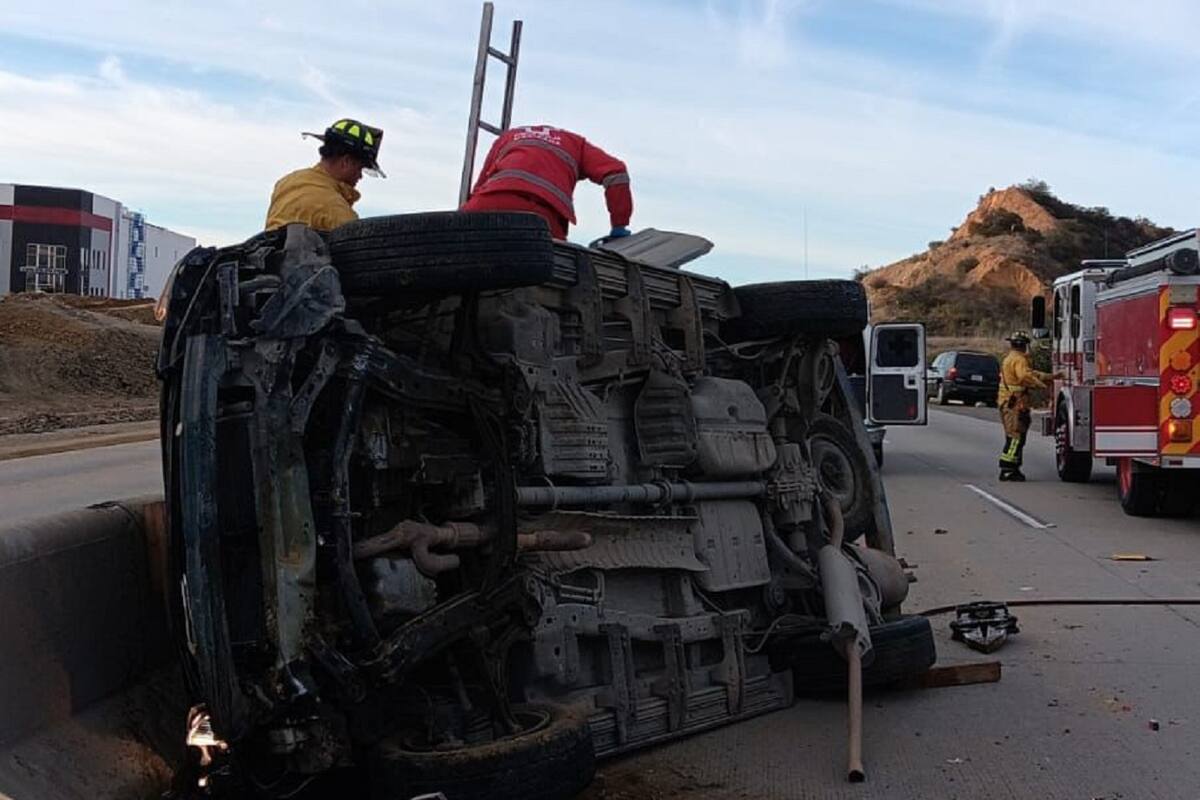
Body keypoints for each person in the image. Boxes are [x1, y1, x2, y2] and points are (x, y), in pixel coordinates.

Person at [461, 124, 632, 241]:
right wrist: (619, 225)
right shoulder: (577, 145)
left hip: (485, 203)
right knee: (555, 269)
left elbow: (481, 184)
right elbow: (616, 173)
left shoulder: (509, 136)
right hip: (540, 214)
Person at [265, 118, 385, 232]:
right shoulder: (337, 211)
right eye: (359, 168)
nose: (360, 176)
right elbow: (359, 247)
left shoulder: (286, 182)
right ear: (346, 162)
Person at [997, 331, 1061, 481]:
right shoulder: (1019, 360)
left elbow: (1031, 373)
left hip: (1010, 403)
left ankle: (1012, 468)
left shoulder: (1012, 358)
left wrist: (1051, 377)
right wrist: (1041, 386)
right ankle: (1008, 468)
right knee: (1015, 437)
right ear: (1022, 345)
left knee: (1015, 436)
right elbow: (1025, 376)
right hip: (1015, 404)